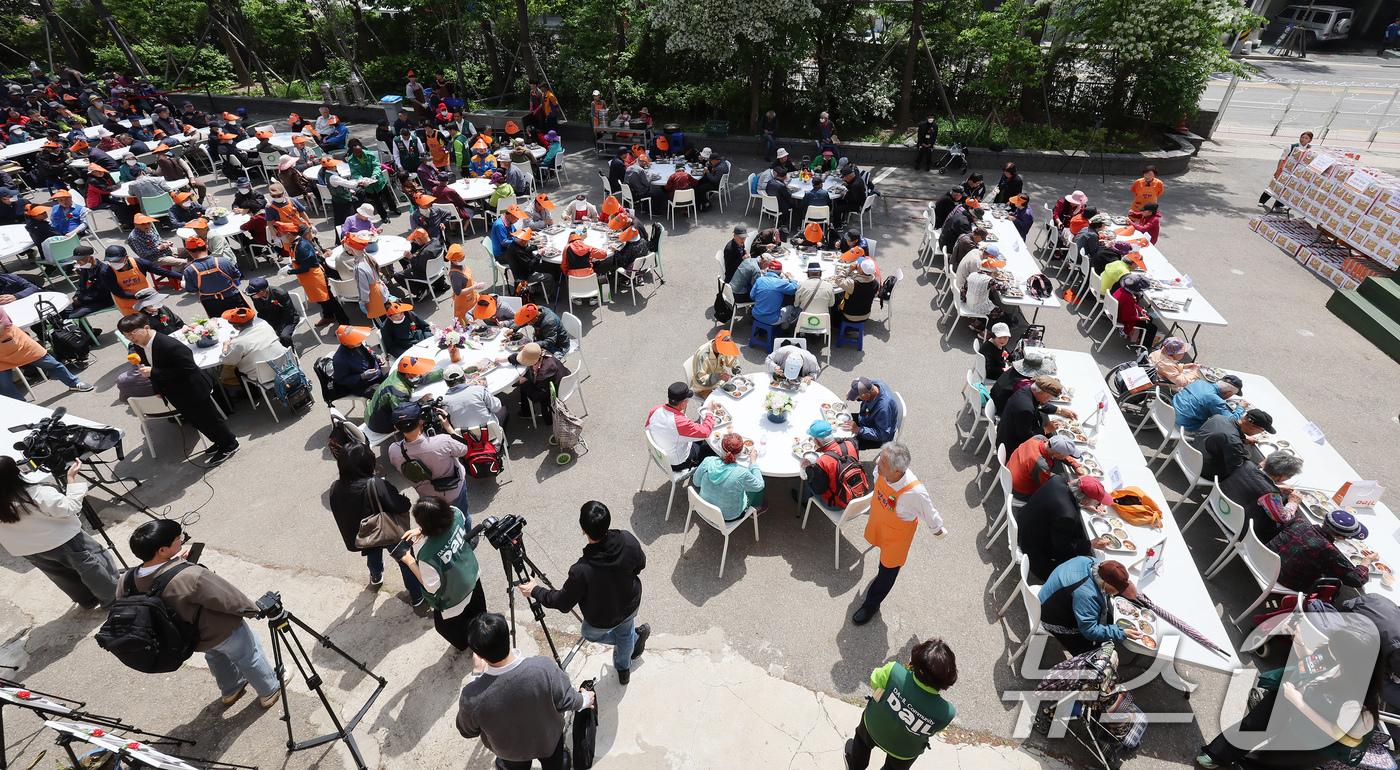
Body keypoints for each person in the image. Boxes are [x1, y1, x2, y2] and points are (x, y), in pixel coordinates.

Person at [122, 519, 286, 708]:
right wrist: (254, 611)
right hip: (222, 630)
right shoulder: (191, 575)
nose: (181, 539)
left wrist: (173, 565)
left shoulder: (127, 580)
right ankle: (270, 689)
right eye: (177, 538)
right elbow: (228, 598)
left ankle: (231, 689)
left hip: (190, 637)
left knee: (215, 656)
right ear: (162, 550)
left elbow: (160, 589)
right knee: (248, 655)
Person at [1197, 625, 1380, 770]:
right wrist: (1298, 641)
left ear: (1347, 658)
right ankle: (1217, 754)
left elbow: (1339, 734)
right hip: (1292, 697)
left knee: (1275, 759)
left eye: (1333, 645)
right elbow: (1311, 663)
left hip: (1313, 734)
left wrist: (1299, 703)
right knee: (1253, 725)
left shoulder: (1358, 704)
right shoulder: (1339, 658)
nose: (1328, 644)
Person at [519, 501, 652, 684]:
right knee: (625, 634)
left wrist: (535, 590)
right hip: (630, 603)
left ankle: (634, 638)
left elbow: (562, 603)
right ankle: (624, 669)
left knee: (589, 634)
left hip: (601, 618)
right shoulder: (628, 539)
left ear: (583, 531)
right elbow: (640, 565)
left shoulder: (581, 570)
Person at [456, 612, 593, 770]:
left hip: (510, 752)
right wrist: (585, 699)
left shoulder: (471, 698)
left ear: (479, 655)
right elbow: (566, 700)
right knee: (554, 765)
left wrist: (477, 675)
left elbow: (466, 731)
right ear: (509, 633)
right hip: (548, 739)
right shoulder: (543, 668)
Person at [0, 456, 118, 609]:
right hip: (64, 541)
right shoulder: (37, 493)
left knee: (61, 576)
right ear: (16, 472)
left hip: (28, 549)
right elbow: (70, 507)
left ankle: (87, 600)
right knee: (92, 567)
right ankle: (112, 599)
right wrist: (71, 478)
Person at [118, 314, 238, 463]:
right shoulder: (139, 345)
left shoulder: (168, 344)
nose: (130, 338)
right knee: (196, 421)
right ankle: (219, 442)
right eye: (125, 335)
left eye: (132, 333)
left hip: (193, 389)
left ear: (146, 328)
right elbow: (151, 367)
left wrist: (154, 372)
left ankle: (230, 444)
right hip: (174, 392)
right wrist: (158, 390)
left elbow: (188, 368)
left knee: (210, 420)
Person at [853, 442, 944, 625]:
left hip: (896, 538)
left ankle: (871, 605)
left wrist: (937, 530)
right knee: (880, 556)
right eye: (880, 458)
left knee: (887, 571)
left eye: (883, 463)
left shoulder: (915, 492)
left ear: (896, 471)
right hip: (879, 523)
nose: (877, 463)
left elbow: (930, 513)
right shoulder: (882, 471)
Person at [845, 638, 957, 770]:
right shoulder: (947, 712)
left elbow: (874, 681)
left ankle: (855, 766)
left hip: (873, 727)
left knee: (861, 743)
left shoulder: (894, 671)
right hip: (905, 750)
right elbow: (935, 729)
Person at [394, 497, 486, 650]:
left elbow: (432, 587)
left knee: (446, 628)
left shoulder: (427, 556)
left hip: (453, 599)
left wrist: (409, 560)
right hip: (472, 576)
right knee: (479, 614)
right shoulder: (457, 513)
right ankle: (485, 633)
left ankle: (468, 645)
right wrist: (423, 530)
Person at [1016, 475, 1116, 581]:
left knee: (1077, 531)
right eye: (1097, 502)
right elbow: (1063, 546)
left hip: (1023, 521)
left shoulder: (1057, 479)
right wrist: (1091, 544)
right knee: (1080, 561)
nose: (1098, 504)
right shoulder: (1067, 514)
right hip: (1031, 546)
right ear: (1085, 501)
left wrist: (1084, 504)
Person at [1038, 556, 1142, 655]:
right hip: (1053, 618)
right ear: (1104, 584)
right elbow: (1090, 630)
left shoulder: (1091, 561)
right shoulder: (1086, 595)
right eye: (1119, 589)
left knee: (1111, 622)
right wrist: (1121, 633)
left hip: (1052, 597)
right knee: (1091, 656)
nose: (1120, 592)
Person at [389, 401, 472, 517]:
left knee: (441, 522)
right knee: (463, 517)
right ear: (421, 421)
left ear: (396, 427)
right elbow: (463, 449)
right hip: (454, 490)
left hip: (428, 497)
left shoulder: (393, 450)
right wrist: (448, 427)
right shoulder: (443, 441)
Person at [1271, 509, 1374, 591]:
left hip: (1267, 563)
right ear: (1345, 537)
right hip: (1286, 581)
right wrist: (1367, 561)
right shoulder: (1329, 551)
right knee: (1333, 581)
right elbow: (1357, 580)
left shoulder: (1300, 522)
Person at [1221, 452, 1306, 544]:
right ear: (1282, 477)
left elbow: (1254, 481)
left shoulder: (1248, 465)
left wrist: (1275, 486)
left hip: (1222, 507)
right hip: (1239, 526)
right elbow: (1283, 518)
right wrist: (1293, 503)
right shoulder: (1270, 494)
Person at [996, 375, 1078, 456]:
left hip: (1007, 432)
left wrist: (1059, 410)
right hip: (1011, 446)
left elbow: (1040, 404)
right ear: (1042, 393)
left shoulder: (1027, 390)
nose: (1049, 400)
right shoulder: (1025, 409)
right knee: (1056, 448)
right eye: (1050, 397)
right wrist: (1046, 429)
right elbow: (1026, 437)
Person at [695, 432, 767, 522]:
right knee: (756, 487)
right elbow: (760, 485)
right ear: (741, 451)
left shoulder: (708, 461)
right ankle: (757, 508)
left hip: (704, 507)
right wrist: (753, 462)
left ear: (721, 447)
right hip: (729, 516)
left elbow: (696, 482)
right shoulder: (742, 473)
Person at [366, 355, 445, 434]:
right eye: (418, 372)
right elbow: (404, 413)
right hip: (378, 423)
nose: (420, 374)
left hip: (372, 412)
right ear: (409, 375)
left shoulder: (400, 372)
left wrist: (443, 373)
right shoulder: (399, 392)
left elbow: (423, 377)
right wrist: (422, 401)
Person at [646, 381, 715, 471]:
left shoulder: (656, 409)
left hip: (660, 453)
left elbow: (648, 427)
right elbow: (705, 432)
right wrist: (710, 412)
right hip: (678, 462)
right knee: (712, 450)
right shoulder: (680, 422)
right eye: (687, 400)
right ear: (682, 404)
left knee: (700, 439)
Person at [796, 419, 863, 508]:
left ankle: (802, 500)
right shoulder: (851, 443)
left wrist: (807, 467)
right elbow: (845, 440)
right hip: (857, 493)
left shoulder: (823, 462)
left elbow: (818, 489)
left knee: (804, 478)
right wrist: (829, 443)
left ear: (817, 441)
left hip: (836, 503)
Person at [1197, 408, 1273, 483]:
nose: (1260, 433)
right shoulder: (1233, 441)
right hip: (1207, 472)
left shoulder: (1217, 418)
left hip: (1194, 459)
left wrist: (1242, 438)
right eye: (1262, 431)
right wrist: (1259, 466)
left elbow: (1221, 436)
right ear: (1254, 427)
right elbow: (1236, 470)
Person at [182, 239, 247, 318]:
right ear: (207, 247)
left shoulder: (189, 270)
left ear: (189, 252)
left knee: (220, 323)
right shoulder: (224, 261)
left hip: (211, 303)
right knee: (243, 319)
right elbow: (236, 277)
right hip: (232, 297)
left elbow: (192, 292)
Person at [217, 306, 287, 381]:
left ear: (235, 326)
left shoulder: (237, 342)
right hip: (285, 366)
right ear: (253, 319)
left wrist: (225, 347)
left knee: (237, 371)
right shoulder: (265, 326)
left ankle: (252, 389)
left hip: (265, 377)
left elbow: (228, 360)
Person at [1008, 434, 1084, 501]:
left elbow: (1056, 449)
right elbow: (1052, 484)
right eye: (1067, 454)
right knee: (1060, 495)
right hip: (1019, 491)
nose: (1068, 456)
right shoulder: (1040, 464)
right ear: (1056, 454)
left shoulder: (1039, 438)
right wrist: (1074, 483)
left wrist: (1075, 465)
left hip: (1010, 472)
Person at [440, 364, 506, 430]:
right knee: (504, 409)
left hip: (464, 436)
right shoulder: (479, 390)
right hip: (491, 433)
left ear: (446, 383)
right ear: (464, 377)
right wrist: (483, 389)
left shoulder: (444, 402)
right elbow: (496, 407)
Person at [346, 139, 398, 222]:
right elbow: (354, 173)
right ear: (352, 152)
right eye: (357, 152)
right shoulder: (351, 160)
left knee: (388, 196)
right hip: (368, 184)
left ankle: (393, 208)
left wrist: (374, 175)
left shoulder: (369, 154)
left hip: (379, 180)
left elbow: (376, 166)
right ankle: (383, 216)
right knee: (377, 201)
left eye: (360, 151)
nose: (360, 153)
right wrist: (362, 179)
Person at [1173, 375, 1246, 434]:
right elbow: (1232, 422)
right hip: (1185, 427)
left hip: (1171, 416)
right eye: (1232, 394)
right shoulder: (1215, 400)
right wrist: (1241, 407)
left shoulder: (1199, 382)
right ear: (1228, 393)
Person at [844, 377, 899, 451]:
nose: (858, 398)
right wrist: (853, 393)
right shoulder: (875, 384)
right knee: (842, 420)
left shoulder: (883, 408)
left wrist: (857, 429)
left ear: (867, 395)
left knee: (845, 444)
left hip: (877, 436)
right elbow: (862, 389)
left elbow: (882, 434)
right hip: (866, 418)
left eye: (859, 396)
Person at [245, 278, 299, 349]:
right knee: (258, 333)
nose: (252, 296)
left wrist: (278, 329)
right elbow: (261, 312)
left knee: (284, 337)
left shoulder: (281, 294)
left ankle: (291, 353)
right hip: (271, 319)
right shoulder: (255, 296)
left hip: (287, 320)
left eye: (253, 294)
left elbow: (288, 313)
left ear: (263, 292)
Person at [332, 325, 385, 397]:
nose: (360, 340)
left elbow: (369, 350)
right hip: (364, 384)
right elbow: (341, 380)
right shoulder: (340, 359)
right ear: (345, 343)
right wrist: (362, 376)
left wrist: (376, 356)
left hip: (377, 371)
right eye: (355, 339)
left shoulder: (359, 343)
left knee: (397, 375)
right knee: (383, 396)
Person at [688, 330, 741, 399]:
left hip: (719, 382)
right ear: (716, 343)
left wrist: (737, 371)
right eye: (723, 350)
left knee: (738, 391)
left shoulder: (722, 347)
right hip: (704, 388)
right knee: (724, 400)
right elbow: (701, 379)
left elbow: (732, 359)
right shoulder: (703, 355)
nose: (724, 353)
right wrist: (719, 376)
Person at [750, 261, 800, 328]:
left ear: (767, 270)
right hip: (772, 319)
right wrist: (790, 278)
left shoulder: (759, 280)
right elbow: (794, 289)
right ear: (780, 273)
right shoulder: (781, 283)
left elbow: (752, 296)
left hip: (756, 314)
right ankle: (784, 328)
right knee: (791, 307)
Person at [1111, 273, 1155, 346]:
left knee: (1149, 319)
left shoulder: (1121, 290)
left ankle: (1139, 339)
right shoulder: (1128, 298)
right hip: (1121, 318)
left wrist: (1140, 309)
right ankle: (1143, 346)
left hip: (1116, 313)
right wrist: (1140, 318)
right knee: (1152, 328)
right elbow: (1126, 317)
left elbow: (1133, 305)